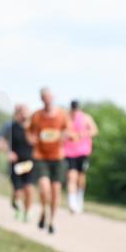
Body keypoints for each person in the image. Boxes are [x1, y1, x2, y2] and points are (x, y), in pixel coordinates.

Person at [27, 88, 73, 234]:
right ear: (41, 99)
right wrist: (31, 139)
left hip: (57, 157)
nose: (47, 100)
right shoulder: (36, 115)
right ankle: (43, 211)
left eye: (49, 97)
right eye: (44, 98)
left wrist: (65, 135)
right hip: (41, 156)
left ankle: (52, 221)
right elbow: (29, 131)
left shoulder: (62, 115)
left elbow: (69, 130)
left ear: (53, 98)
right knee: (45, 188)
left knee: (56, 190)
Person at [64, 99, 99, 214]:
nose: (74, 111)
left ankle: (79, 198)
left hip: (83, 152)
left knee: (81, 177)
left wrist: (82, 134)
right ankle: (72, 202)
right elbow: (60, 132)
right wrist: (69, 134)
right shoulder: (65, 118)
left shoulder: (86, 118)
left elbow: (94, 130)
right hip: (69, 152)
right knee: (71, 176)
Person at [4, 104, 36, 222]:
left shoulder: (33, 128)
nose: (24, 114)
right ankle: (16, 205)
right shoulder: (12, 127)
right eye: (22, 112)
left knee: (29, 188)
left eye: (26, 111)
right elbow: (4, 142)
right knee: (18, 191)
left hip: (30, 162)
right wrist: (9, 152)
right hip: (16, 163)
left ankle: (27, 212)